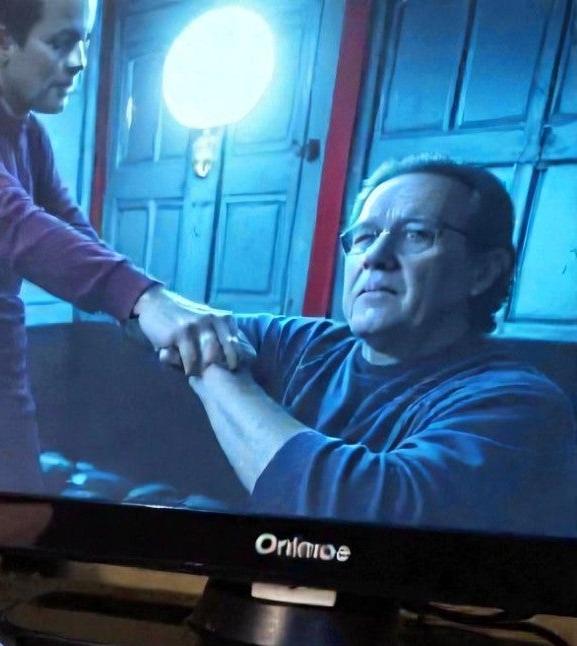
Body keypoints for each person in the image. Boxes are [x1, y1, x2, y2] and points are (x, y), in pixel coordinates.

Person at [0, 0, 241, 497]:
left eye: (83, 42)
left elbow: (69, 226)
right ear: (3, 42)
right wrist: (143, 300)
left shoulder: (31, 136)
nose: (80, 62)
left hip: (0, 358)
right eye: (62, 42)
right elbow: (15, 227)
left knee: (19, 514)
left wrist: (153, 310)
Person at [180, 156, 577, 535]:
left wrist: (215, 371)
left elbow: (351, 522)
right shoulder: (303, 343)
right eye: (365, 237)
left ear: (482, 271)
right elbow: (165, 328)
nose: (376, 256)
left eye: (417, 234)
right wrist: (142, 297)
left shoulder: (518, 402)